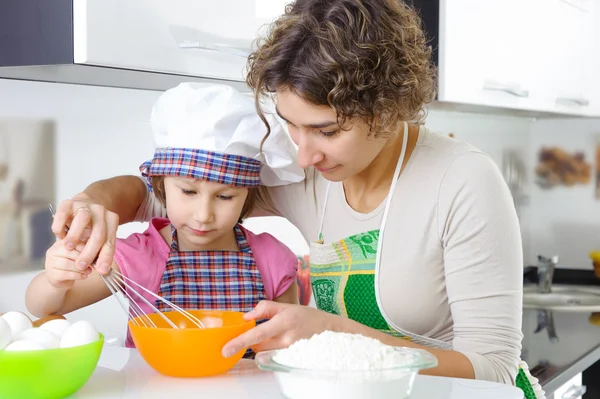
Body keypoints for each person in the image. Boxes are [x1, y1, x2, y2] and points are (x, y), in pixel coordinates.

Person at [47, 0, 544, 397]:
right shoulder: (309, 170)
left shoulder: (462, 182)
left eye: (325, 130)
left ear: (389, 108)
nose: (303, 155)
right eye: (290, 124)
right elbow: (158, 198)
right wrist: (94, 201)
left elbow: (492, 370)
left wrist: (330, 332)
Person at [25, 82, 304, 349]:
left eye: (225, 196)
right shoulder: (140, 256)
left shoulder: (272, 258)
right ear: (161, 187)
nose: (204, 215)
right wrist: (54, 279)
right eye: (188, 192)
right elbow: (45, 307)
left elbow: (289, 344)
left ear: (248, 197)